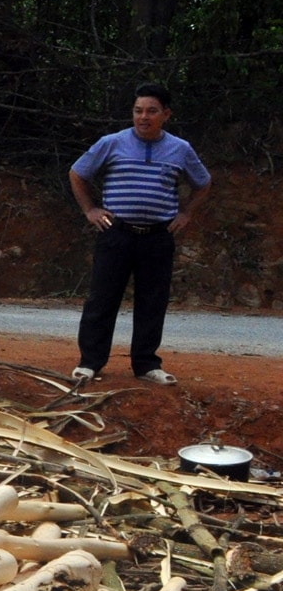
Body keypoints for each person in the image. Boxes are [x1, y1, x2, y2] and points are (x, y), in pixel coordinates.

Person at [69, 82, 212, 386]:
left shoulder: (180, 149)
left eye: (151, 111)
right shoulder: (112, 142)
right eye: (138, 111)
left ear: (166, 114)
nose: (143, 117)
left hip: (158, 237)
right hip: (116, 233)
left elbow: (203, 182)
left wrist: (186, 213)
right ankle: (90, 362)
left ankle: (146, 364)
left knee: (153, 301)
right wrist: (90, 210)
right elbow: (78, 173)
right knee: (102, 299)